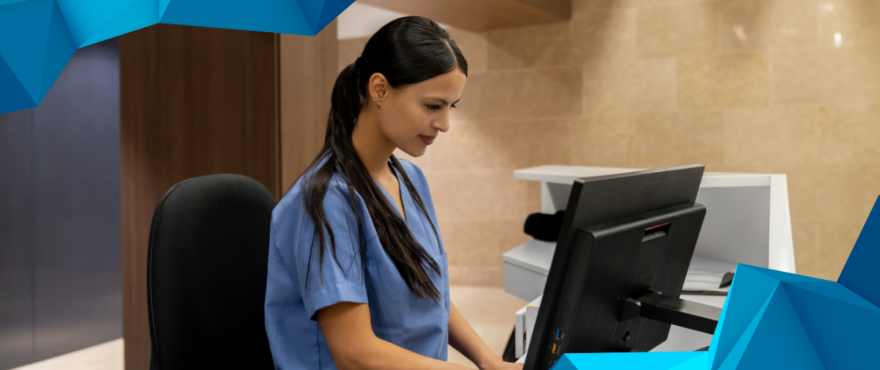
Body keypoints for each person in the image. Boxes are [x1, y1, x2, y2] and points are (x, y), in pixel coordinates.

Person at [264, 16, 523, 370]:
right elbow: (355, 354)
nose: (444, 124)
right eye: (433, 106)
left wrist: (490, 361)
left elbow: (433, 297)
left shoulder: (411, 179)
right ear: (380, 89)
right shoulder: (326, 200)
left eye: (452, 106)